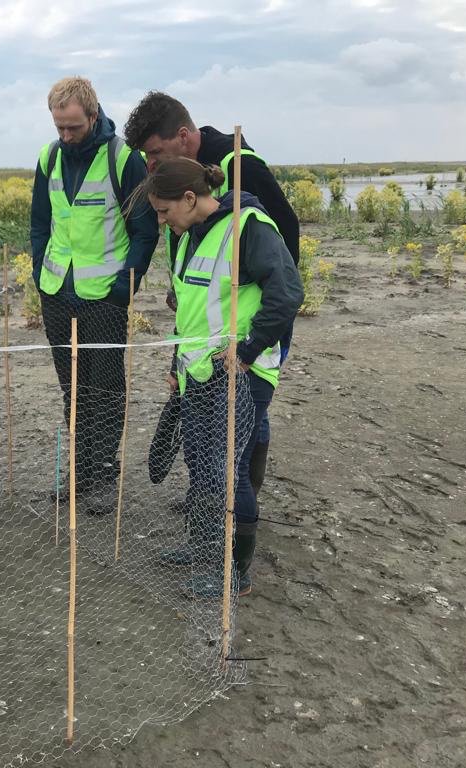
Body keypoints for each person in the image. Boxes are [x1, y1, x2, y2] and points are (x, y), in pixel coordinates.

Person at [124, 92, 301, 508]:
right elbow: (198, 243)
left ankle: (237, 507)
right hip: (208, 318)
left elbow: (281, 231)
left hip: (253, 323)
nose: (151, 164)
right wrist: (186, 286)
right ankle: (210, 502)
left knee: (244, 422)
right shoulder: (174, 185)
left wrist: (265, 315)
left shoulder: (239, 165)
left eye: (155, 152)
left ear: (183, 138)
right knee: (205, 435)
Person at [138, 158, 302, 597]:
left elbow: (287, 293)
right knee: (200, 463)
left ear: (190, 198)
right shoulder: (188, 236)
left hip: (242, 373)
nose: (162, 220)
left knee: (226, 470)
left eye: (164, 210)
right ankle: (205, 546)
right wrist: (177, 364)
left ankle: (236, 572)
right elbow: (192, 311)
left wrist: (247, 350)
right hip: (198, 373)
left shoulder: (249, 227)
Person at [30, 76, 158, 516]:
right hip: (56, 294)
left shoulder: (123, 160)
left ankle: (105, 472)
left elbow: (144, 231)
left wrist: (125, 287)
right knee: (73, 388)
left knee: (105, 387)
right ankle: (80, 470)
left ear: (93, 113)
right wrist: (37, 271)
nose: (65, 136)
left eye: (73, 127)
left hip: (104, 297)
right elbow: (39, 224)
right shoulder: (49, 157)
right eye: (59, 127)